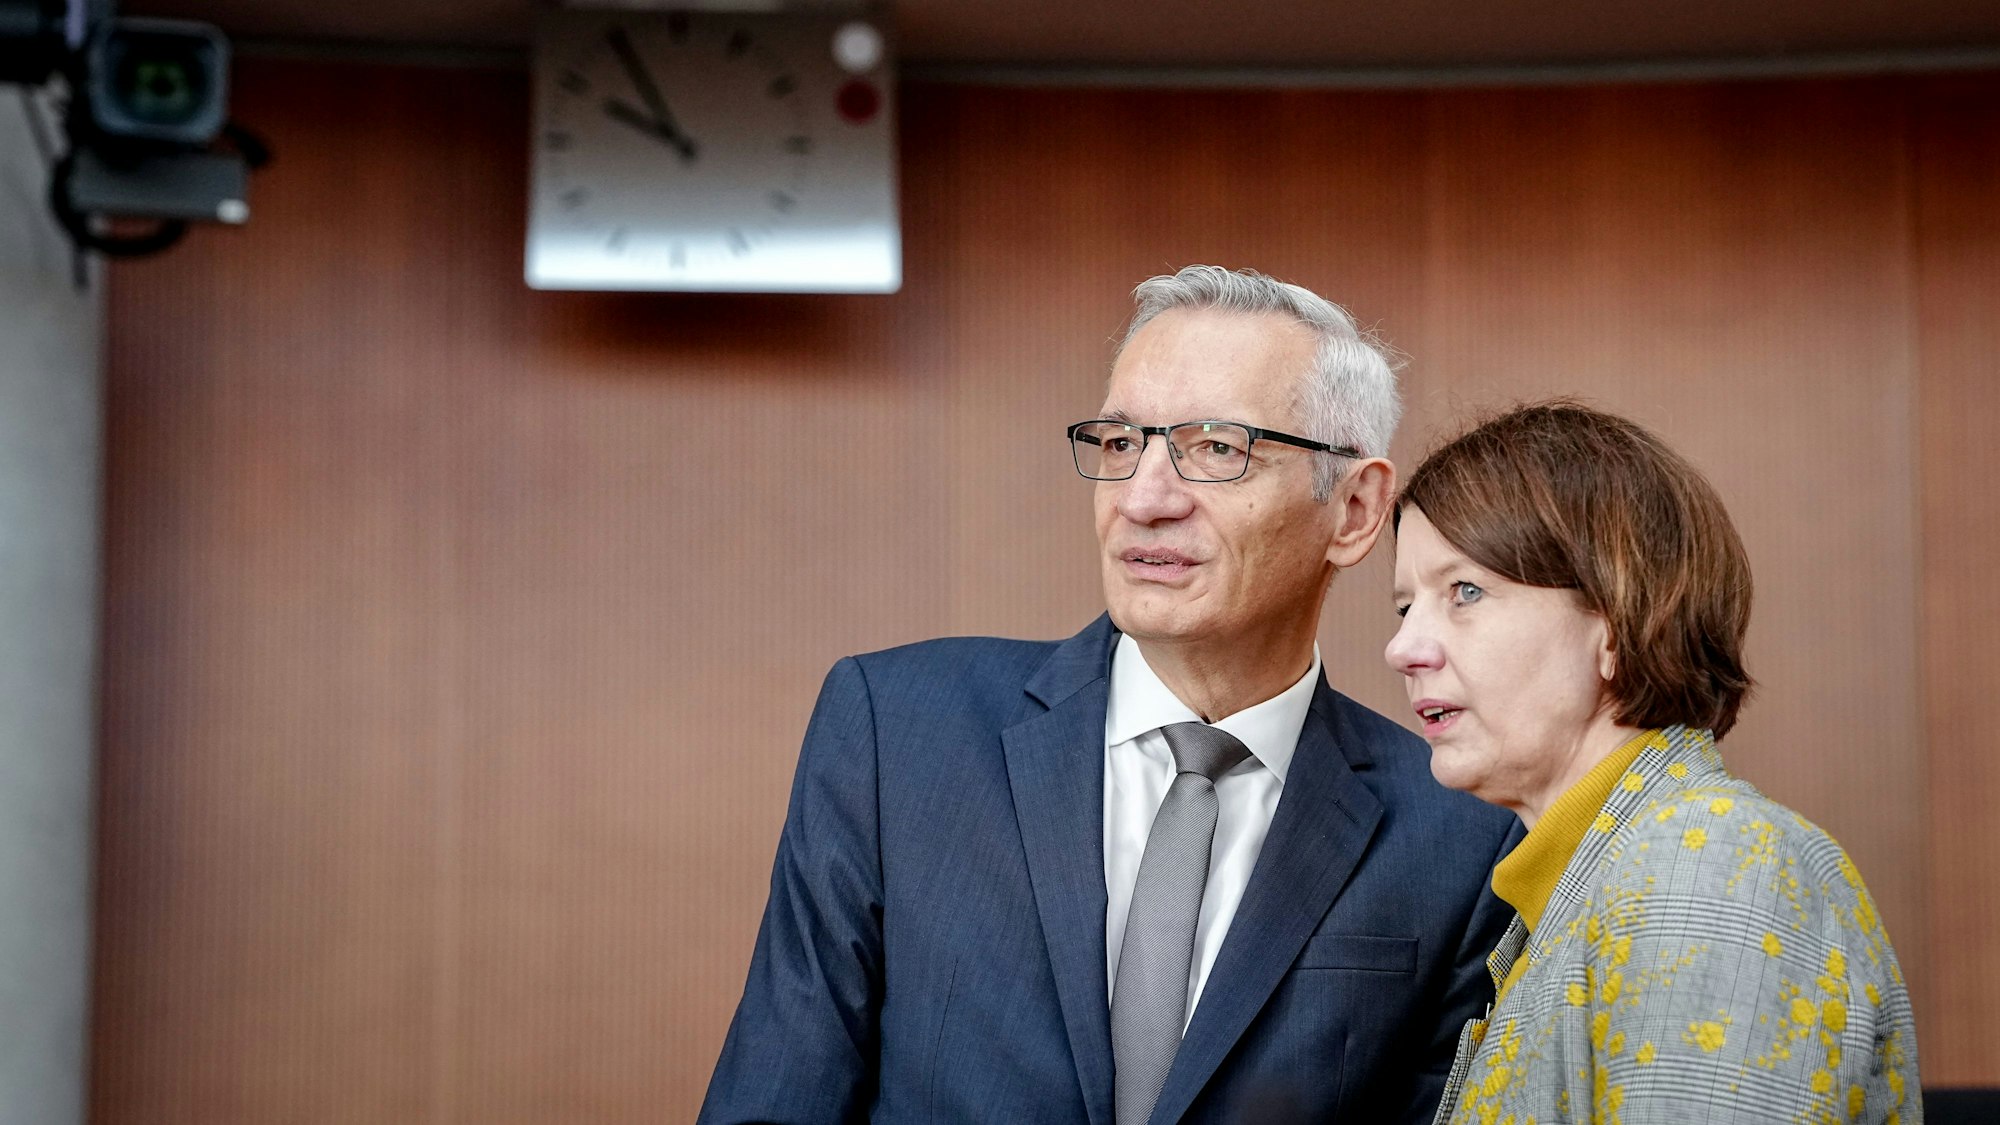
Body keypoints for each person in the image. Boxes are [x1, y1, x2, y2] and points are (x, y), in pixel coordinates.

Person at [699, 266, 1520, 1124]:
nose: (1142, 498)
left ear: (1354, 509)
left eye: (1215, 447)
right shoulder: (896, 733)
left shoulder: (1459, 833)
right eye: (1122, 444)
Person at [1385, 402, 1922, 1124]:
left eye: (1466, 592)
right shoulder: (1589, 882)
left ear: (1614, 618)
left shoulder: (1711, 863)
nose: (1405, 648)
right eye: (1404, 607)